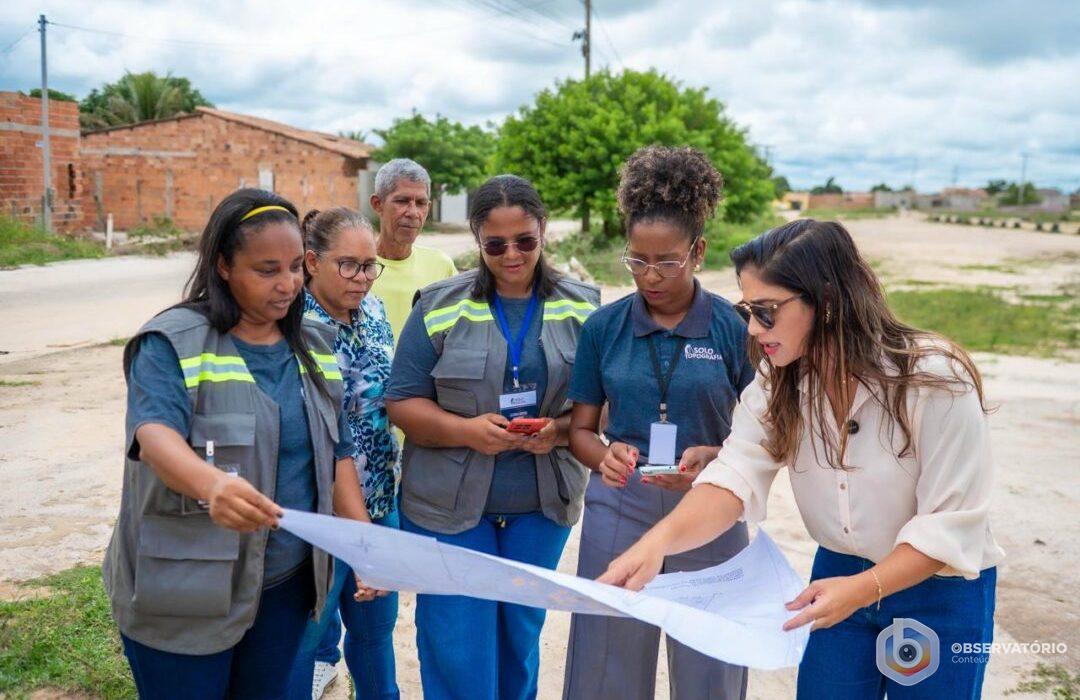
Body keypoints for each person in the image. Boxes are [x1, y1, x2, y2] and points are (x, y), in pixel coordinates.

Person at [600, 218, 1005, 699]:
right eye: (748, 310)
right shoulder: (779, 379)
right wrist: (658, 543)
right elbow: (734, 474)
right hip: (838, 574)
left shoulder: (935, 379)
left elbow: (949, 525)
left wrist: (864, 589)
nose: (753, 328)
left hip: (938, 588)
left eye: (766, 311)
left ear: (827, 300)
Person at [102, 189, 375, 700]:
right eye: (267, 270)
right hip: (185, 592)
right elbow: (153, 435)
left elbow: (334, 453)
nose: (287, 284)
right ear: (224, 266)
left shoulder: (314, 344)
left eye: (294, 268)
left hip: (284, 589)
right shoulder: (172, 341)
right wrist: (213, 486)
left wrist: (364, 544)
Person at [385, 174, 599, 700]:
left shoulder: (586, 307)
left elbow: (604, 403)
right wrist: (465, 432)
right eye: (495, 245)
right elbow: (402, 401)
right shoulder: (438, 304)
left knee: (518, 640)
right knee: (458, 645)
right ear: (477, 239)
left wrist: (559, 431)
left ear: (543, 230)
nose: (512, 255)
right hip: (447, 510)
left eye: (525, 241)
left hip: (540, 511)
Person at [562, 146, 752, 700]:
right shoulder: (604, 328)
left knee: (711, 663)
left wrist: (715, 459)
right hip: (620, 506)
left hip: (710, 504)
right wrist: (604, 456)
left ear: (698, 252)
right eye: (637, 261)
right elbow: (579, 431)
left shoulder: (733, 328)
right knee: (607, 661)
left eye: (667, 262)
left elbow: (767, 433)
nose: (650, 276)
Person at [285, 208, 401, 699]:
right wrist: (360, 538)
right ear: (312, 261)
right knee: (305, 640)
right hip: (319, 514)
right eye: (348, 265)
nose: (363, 278)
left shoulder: (374, 311)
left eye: (370, 265)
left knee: (376, 632)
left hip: (380, 499)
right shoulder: (292, 326)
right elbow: (325, 438)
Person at [370, 158, 458, 342]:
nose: (413, 213)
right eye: (402, 201)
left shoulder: (441, 266)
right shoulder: (354, 269)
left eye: (421, 203)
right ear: (378, 204)